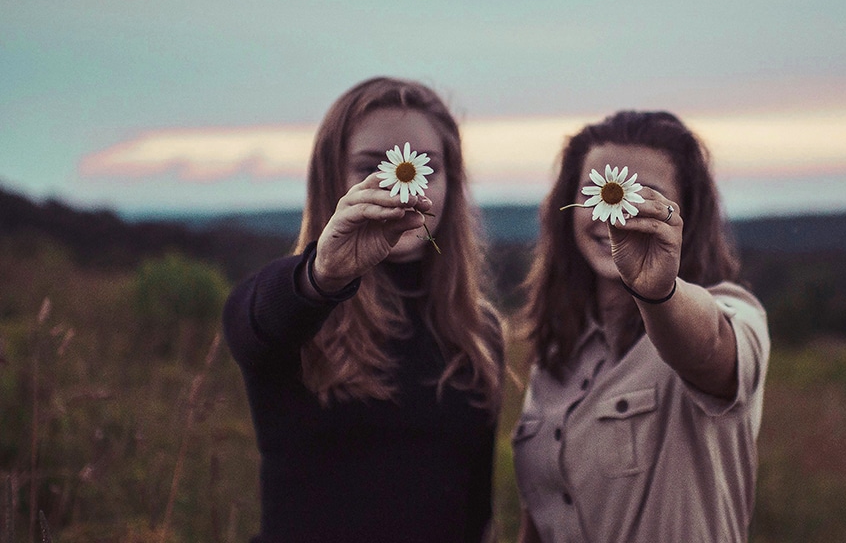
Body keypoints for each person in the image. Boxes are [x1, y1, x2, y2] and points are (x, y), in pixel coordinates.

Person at [222, 77, 503, 542]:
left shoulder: (478, 331)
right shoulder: (298, 307)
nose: (400, 185)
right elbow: (249, 321)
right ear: (331, 178)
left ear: (454, 185)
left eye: (424, 168)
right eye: (372, 167)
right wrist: (322, 276)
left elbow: (478, 513)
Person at [512, 111, 771, 542]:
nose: (615, 213)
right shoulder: (558, 353)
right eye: (599, 191)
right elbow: (543, 516)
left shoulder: (731, 313)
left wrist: (659, 291)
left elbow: (708, 349)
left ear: (687, 213)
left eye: (645, 196)